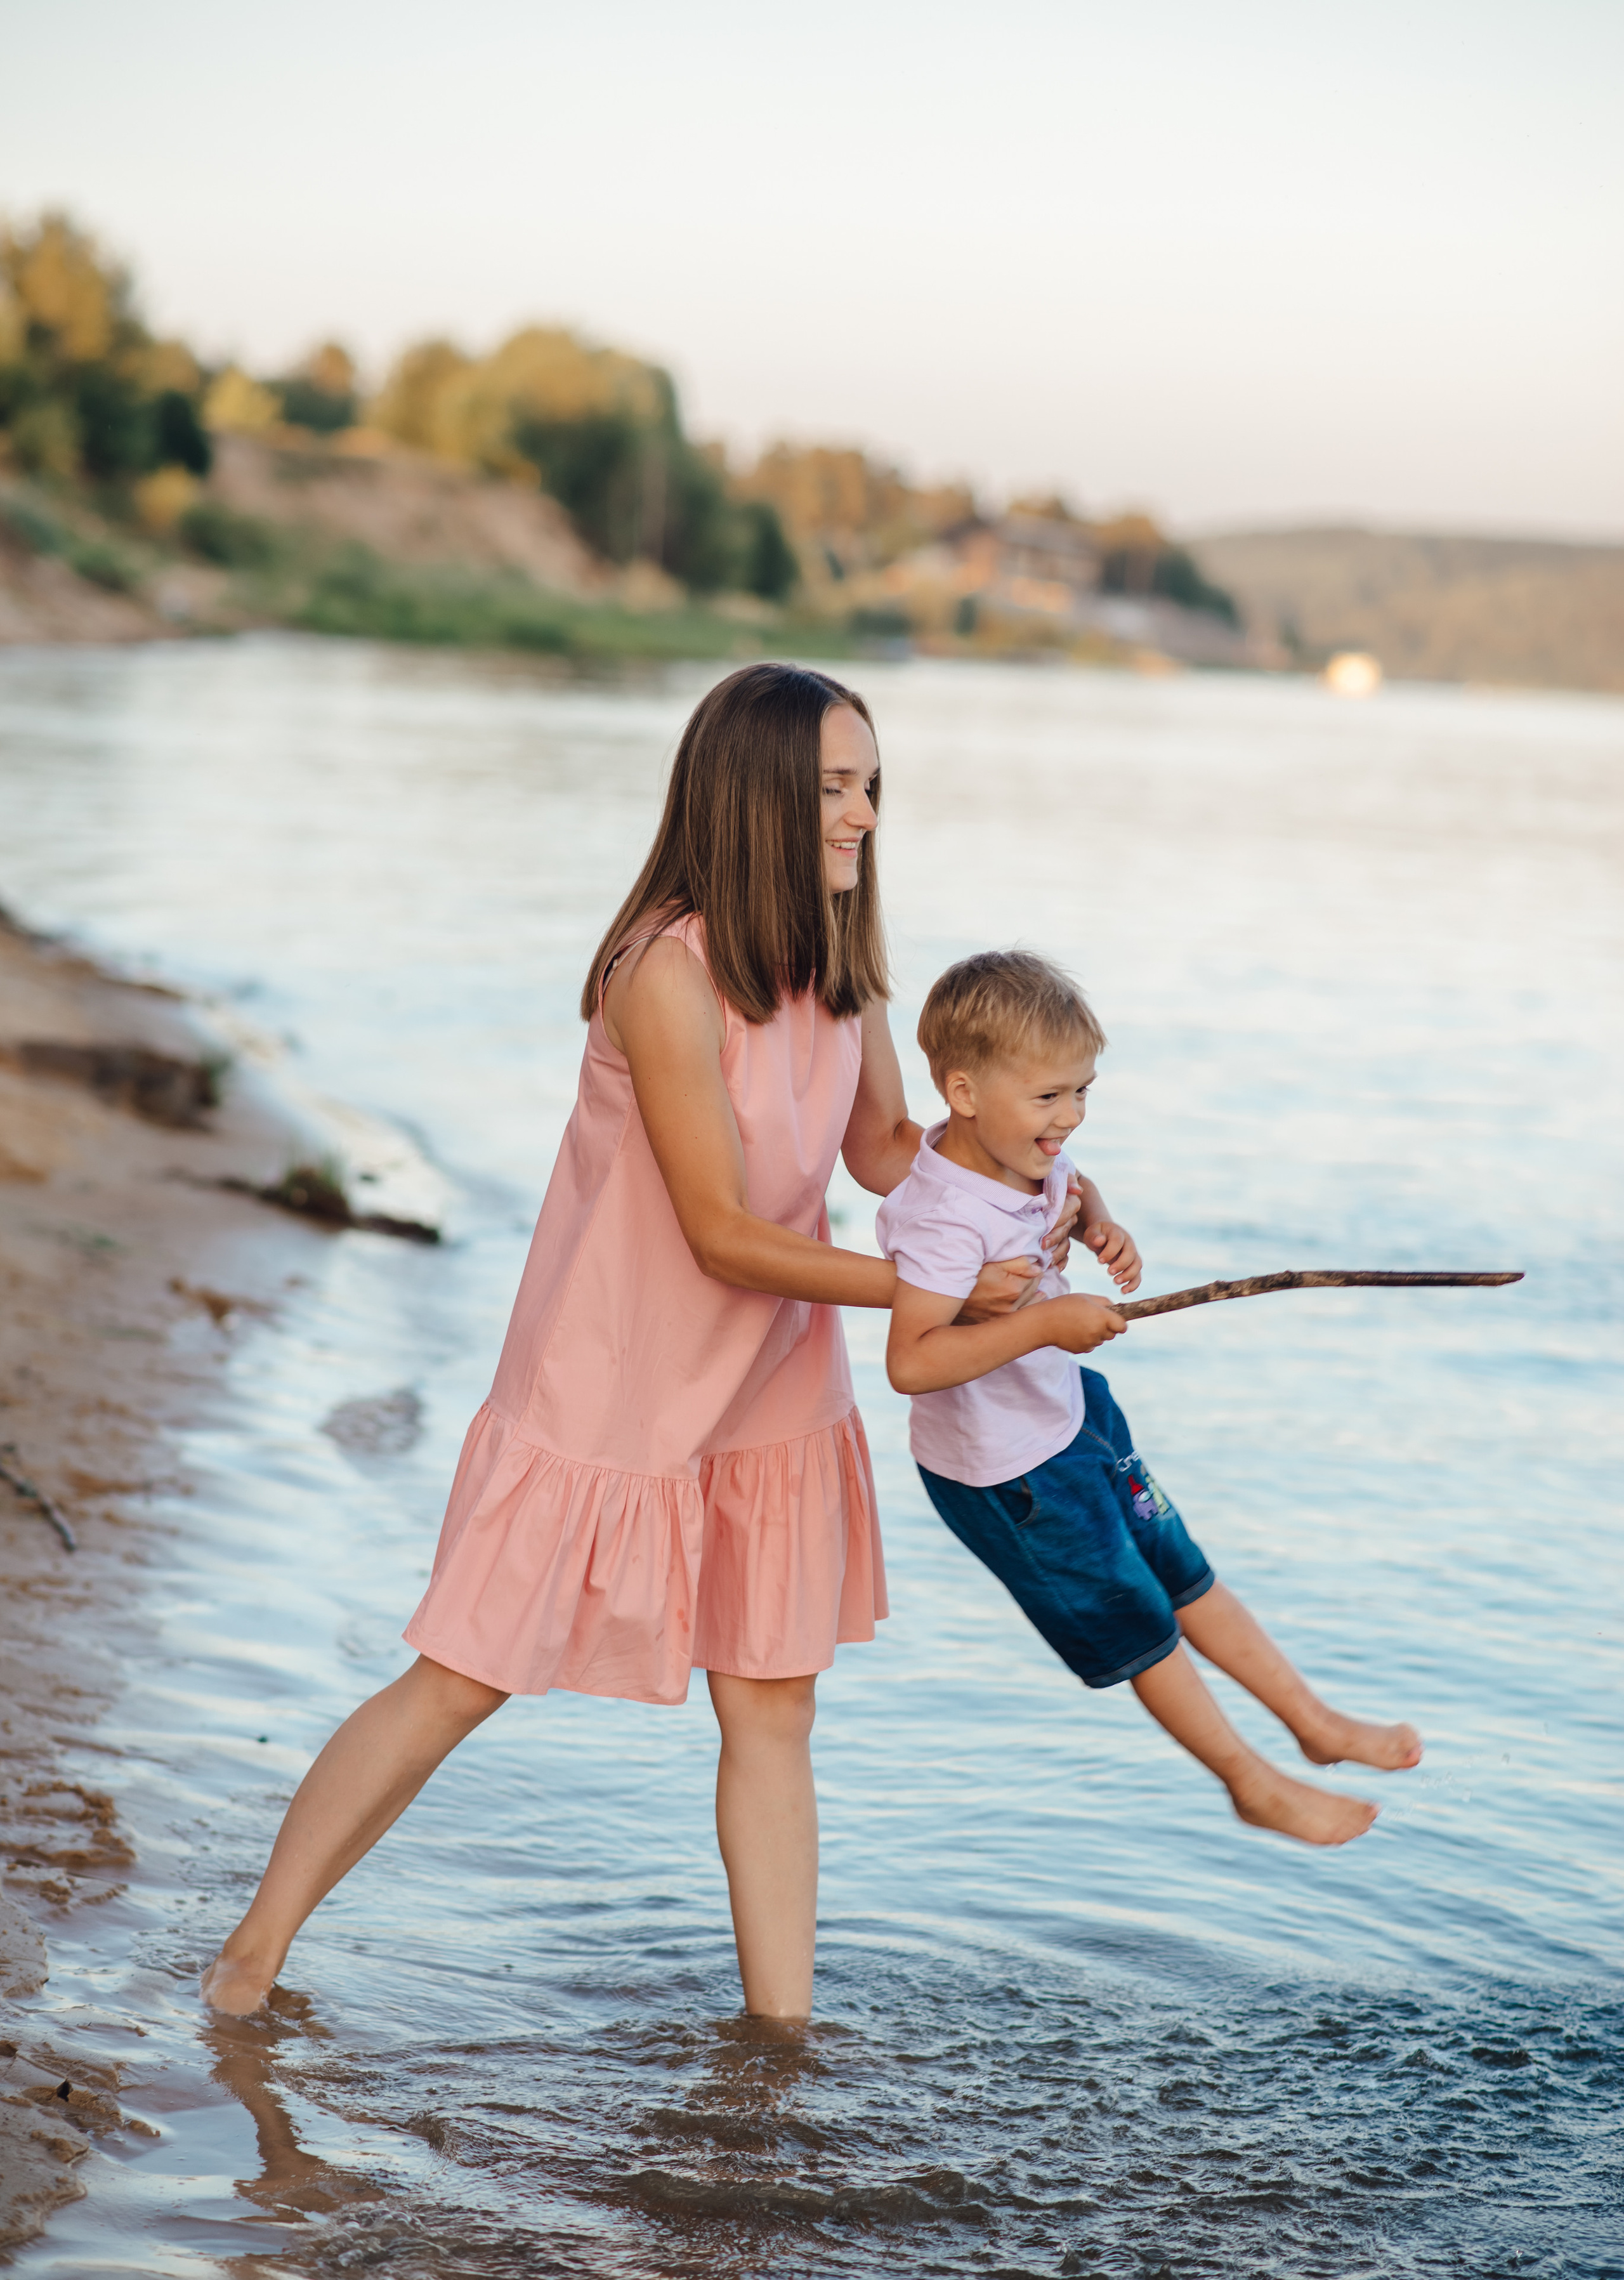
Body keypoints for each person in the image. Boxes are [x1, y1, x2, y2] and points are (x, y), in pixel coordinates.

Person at [202, 666, 1084, 2022]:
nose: (861, 816)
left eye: (869, 788)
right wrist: (944, 1304)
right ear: (755, 798)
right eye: (834, 788)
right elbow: (721, 1231)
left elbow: (893, 1155)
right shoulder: (663, 976)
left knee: (775, 1708)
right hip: (609, 1368)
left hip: (772, 1377)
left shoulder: (841, 977)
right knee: (460, 1677)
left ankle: (778, 2041)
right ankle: (247, 1962)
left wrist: (1042, 1176)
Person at [878, 949, 1422, 1844]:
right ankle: (1249, 1780)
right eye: (1050, 1097)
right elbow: (912, 1360)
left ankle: (1313, 1723)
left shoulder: (1023, 1149)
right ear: (966, 1092)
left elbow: (1070, 1183)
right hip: (1010, 1475)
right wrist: (1045, 1326)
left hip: (1074, 1415)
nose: (1071, 1118)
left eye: (1082, 1091)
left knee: (1180, 1566)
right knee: (1138, 1618)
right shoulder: (943, 1218)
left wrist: (1100, 1222)